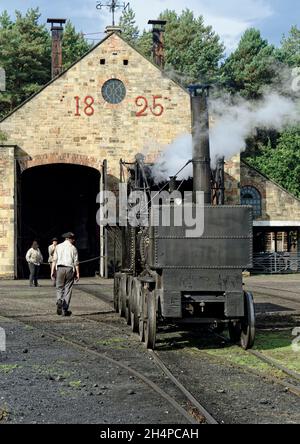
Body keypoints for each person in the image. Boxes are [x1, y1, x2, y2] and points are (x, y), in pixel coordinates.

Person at [51, 232, 80, 316]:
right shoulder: (73, 248)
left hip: (60, 268)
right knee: (68, 289)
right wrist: (78, 273)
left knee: (59, 287)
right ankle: (65, 309)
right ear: (69, 239)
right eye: (73, 239)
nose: (74, 240)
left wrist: (52, 271)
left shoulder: (58, 247)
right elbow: (76, 262)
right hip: (70, 269)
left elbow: (54, 259)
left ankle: (59, 300)